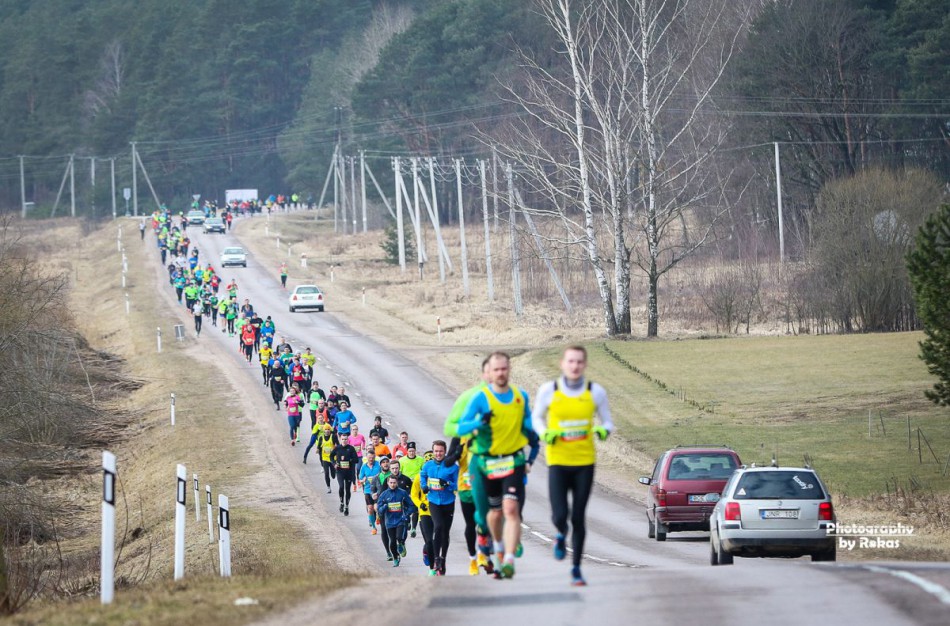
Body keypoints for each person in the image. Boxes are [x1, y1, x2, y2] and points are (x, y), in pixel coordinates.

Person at [532, 345, 613, 586]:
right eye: (571, 361)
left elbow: (608, 422)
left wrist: (602, 430)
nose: (575, 366)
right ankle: (559, 534)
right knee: (560, 514)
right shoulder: (549, 390)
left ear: (584, 365)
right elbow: (536, 417)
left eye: (579, 362)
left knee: (578, 516)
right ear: (562, 364)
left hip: (584, 462)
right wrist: (545, 433)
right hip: (557, 461)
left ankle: (576, 568)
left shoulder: (595, 392)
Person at [457, 351, 533, 580]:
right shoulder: (480, 399)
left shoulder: (521, 397)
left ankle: (508, 559)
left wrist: (536, 441)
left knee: (511, 509)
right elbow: (461, 427)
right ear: (489, 373)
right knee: (493, 514)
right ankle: (498, 547)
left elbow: (528, 426)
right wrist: (479, 424)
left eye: (504, 368)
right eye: (496, 369)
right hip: (487, 463)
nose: (501, 373)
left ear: (509, 369)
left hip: (512, 460)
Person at [421, 440, 459, 576]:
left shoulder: (452, 467)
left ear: (445, 451)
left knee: (445, 532)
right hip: (433, 501)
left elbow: (457, 485)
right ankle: (436, 558)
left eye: (441, 451)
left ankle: (443, 558)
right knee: (438, 527)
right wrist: (424, 486)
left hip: (448, 502)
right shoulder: (428, 466)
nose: (438, 453)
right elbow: (423, 476)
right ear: (433, 451)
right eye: (436, 451)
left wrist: (447, 483)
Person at [376, 474, 416, 567]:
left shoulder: (402, 493)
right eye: (391, 483)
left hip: (400, 520)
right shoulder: (384, 494)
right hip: (389, 522)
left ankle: (401, 543)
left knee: (399, 537)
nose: (393, 484)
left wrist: (406, 514)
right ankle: (395, 557)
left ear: (397, 483)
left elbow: (411, 505)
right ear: (387, 483)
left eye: (394, 483)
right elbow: (379, 509)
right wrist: (385, 507)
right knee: (392, 542)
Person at [410, 463, 435, 575]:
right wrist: (420, 504)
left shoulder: (438, 476)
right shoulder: (419, 477)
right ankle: (432, 567)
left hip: (438, 510)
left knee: (438, 540)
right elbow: (414, 495)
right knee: (429, 540)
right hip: (424, 512)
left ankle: (436, 559)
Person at [330, 434, 360, 515]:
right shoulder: (337, 448)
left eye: (346, 439)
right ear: (340, 439)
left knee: (347, 489)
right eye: (343, 439)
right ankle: (341, 503)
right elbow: (331, 456)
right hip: (340, 471)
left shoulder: (351, 448)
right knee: (341, 487)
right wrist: (334, 464)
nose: (344, 441)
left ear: (348, 440)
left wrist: (350, 460)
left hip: (349, 472)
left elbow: (356, 460)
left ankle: (347, 506)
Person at [358, 449, 382, 535]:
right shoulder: (364, 467)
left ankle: (378, 516)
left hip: (377, 490)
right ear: (366, 458)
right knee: (370, 508)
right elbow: (360, 479)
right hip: (368, 490)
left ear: (375, 457)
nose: (371, 459)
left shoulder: (378, 466)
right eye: (369, 458)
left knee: (376, 507)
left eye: (372, 458)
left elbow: (382, 475)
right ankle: (374, 527)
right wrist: (362, 480)